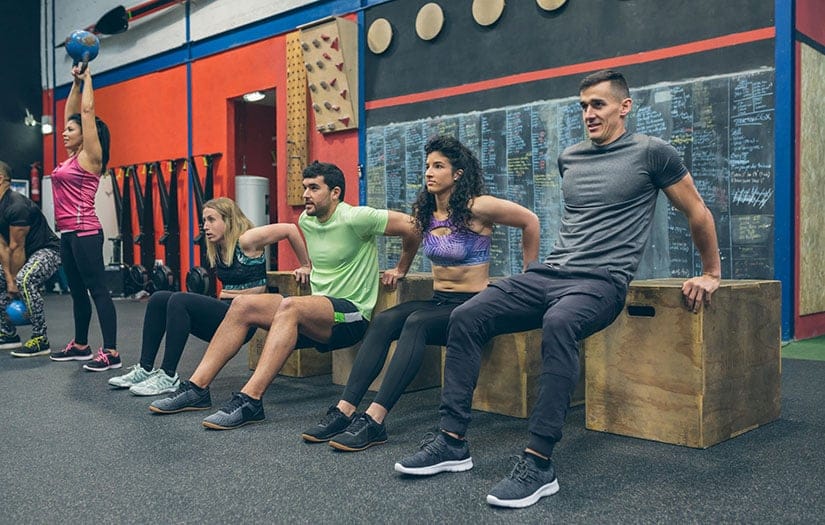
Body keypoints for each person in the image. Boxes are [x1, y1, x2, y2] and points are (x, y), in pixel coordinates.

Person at [395, 70, 722, 509]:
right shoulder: (570, 157)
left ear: (624, 107)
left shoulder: (652, 153)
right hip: (551, 274)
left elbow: (696, 210)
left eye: (598, 105)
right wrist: (533, 276)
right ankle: (452, 441)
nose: (589, 113)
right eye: (583, 105)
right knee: (468, 315)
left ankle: (538, 462)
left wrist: (712, 272)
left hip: (601, 281)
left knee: (560, 321)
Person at [301, 135, 540, 452]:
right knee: (385, 321)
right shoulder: (425, 210)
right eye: (427, 165)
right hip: (441, 301)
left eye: (438, 166)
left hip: (474, 306)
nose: (429, 172)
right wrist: (401, 267)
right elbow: (411, 236)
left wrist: (530, 275)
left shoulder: (477, 207)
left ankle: (374, 420)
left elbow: (530, 221)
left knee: (416, 323)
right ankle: (344, 410)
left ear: (457, 174)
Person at [149, 161, 421, 430]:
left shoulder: (356, 217)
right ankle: (197, 388)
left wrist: (401, 268)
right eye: (304, 187)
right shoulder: (307, 220)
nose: (305, 195)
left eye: (314, 188)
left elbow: (412, 226)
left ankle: (250, 400)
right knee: (243, 304)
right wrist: (306, 266)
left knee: (291, 306)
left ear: (335, 192)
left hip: (349, 315)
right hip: (316, 313)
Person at [108, 197, 312, 396]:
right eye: (204, 221)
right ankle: (145, 368)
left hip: (244, 317)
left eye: (211, 220)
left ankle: (168, 375)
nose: (205, 226)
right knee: (159, 298)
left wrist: (305, 265)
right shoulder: (219, 247)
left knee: (180, 300)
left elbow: (289, 229)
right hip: (224, 312)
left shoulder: (247, 239)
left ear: (229, 220)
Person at [48, 65, 120, 371]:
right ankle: (80, 345)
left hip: (86, 232)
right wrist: (75, 83)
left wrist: (90, 78)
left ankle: (112, 353)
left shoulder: (91, 155)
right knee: (75, 291)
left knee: (98, 290)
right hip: (68, 233)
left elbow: (86, 111)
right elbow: (72, 111)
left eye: (71, 130)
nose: (65, 132)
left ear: (86, 135)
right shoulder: (70, 157)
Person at [0, 161, 61, 357]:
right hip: (22, 254)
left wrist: (14, 284)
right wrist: (8, 281)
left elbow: (18, 247)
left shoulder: (16, 205)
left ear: (1, 179)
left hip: (48, 251)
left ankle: (40, 338)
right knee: (10, 279)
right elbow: (3, 247)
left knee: (24, 279)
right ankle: (8, 334)